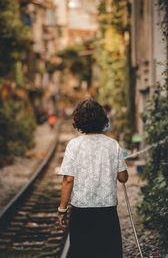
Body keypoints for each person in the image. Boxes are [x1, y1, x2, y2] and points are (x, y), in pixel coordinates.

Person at [57, 98, 128, 258]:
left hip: (81, 211)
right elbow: (123, 178)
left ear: (78, 120)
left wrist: (62, 209)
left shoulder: (74, 145)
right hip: (107, 210)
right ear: (102, 120)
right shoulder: (112, 145)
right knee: (108, 252)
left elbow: (68, 179)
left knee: (82, 252)